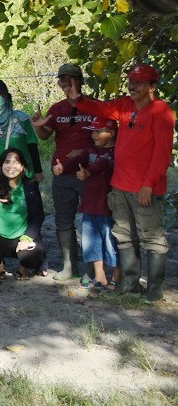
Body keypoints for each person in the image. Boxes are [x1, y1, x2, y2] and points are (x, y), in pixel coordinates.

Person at [76, 63, 174, 300]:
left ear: (152, 86)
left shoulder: (162, 111)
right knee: (124, 236)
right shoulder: (125, 106)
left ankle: (154, 293)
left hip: (144, 188)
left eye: (139, 82)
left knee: (152, 239)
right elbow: (101, 109)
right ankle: (130, 288)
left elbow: (162, 153)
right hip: (119, 185)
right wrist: (78, 98)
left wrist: (148, 184)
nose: (132, 86)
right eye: (131, 81)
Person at [31, 63, 96, 281]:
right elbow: (45, 135)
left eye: (71, 78)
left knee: (91, 221)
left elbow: (106, 137)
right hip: (61, 173)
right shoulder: (57, 109)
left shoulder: (94, 106)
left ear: (81, 81)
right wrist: (38, 125)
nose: (66, 83)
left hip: (89, 173)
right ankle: (69, 267)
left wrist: (84, 153)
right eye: (62, 79)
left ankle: (92, 270)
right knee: (63, 221)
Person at [0, 148, 46, 280]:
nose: (11, 166)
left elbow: (38, 216)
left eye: (16, 162)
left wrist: (27, 238)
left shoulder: (30, 186)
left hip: (21, 235)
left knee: (34, 256)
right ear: (1, 165)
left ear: (22, 167)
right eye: (7, 162)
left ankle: (22, 269)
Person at [70, 117, 120, 291]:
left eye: (98, 131)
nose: (94, 135)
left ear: (111, 133)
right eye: (92, 131)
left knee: (111, 242)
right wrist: (63, 167)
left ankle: (117, 278)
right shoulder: (91, 149)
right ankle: (100, 277)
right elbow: (79, 159)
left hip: (107, 207)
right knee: (91, 241)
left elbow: (103, 164)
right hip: (89, 204)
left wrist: (88, 172)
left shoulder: (116, 151)